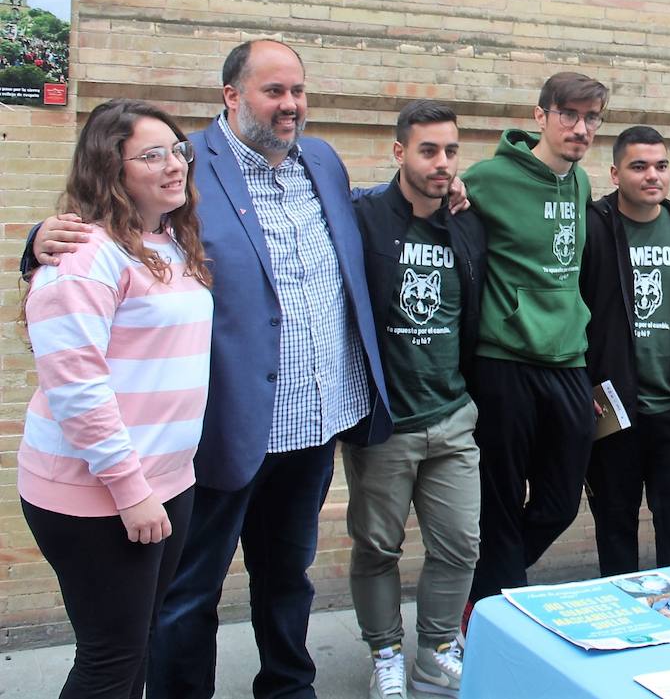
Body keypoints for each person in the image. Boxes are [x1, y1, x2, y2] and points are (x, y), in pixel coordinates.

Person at [26, 39, 392, 699]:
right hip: (224, 427)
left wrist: (435, 191)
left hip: (315, 419)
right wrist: (37, 240)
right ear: (231, 96)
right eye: (273, 91)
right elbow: (109, 224)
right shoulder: (186, 163)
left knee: (288, 576)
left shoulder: (324, 160)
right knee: (188, 592)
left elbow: (361, 213)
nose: (291, 105)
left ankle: (287, 686)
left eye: (298, 91)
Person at [19, 99, 213, 699]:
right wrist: (132, 494)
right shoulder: (83, 256)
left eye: (177, 150)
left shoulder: (168, 242)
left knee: (135, 647)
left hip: (167, 482)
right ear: (111, 169)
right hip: (98, 495)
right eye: (150, 155)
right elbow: (78, 390)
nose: (173, 164)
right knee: (109, 659)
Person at [346, 101, 486, 698]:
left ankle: (434, 652)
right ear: (399, 151)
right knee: (378, 546)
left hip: (452, 416)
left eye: (451, 151)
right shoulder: (363, 215)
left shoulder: (465, 222)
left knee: (460, 544)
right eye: (428, 150)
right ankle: (384, 655)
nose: (442, 163)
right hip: (386, 423)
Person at [462, 72, 606, 608]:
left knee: (561, 500)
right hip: (503, 361)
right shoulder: (488, 179)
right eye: (568, 114)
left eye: (591, 118)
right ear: (540, 116)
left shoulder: (581, 182)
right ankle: (493, 616)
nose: (580, 127)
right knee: (498, 502)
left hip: (567, 359)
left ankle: (477, 587)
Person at [581, 126, 670, 576]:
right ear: (614, 172)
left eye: (660, 166)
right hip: (613, 413)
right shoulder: (593, 229)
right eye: (638, 166)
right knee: (615, 528)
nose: (652, 176)